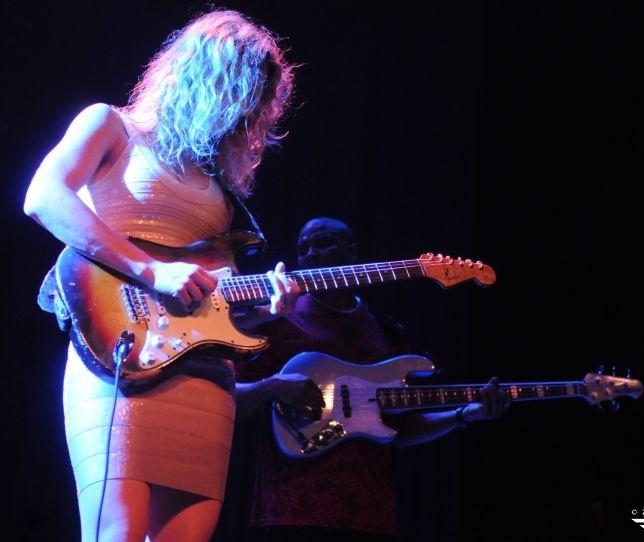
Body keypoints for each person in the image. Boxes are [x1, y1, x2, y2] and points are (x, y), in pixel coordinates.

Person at [23, 10, 300, 542]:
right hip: (119, 355)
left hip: (205, 379)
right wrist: (151, 270)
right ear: (206, 81)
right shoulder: (110, 125)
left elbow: (210, 299)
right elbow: (44, 196)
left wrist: (265, 307)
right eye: (241, 96)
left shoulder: (220, 187)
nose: (246, 115)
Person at [234, 217, 509, 542]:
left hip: (369, 513)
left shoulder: (385, 331)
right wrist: (273, 386)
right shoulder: (279, 319)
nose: (311, 254)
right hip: (290, 509)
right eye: (303, 248)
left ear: (352, 252)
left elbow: (401, 427)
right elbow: (230, 396)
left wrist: (464, 414)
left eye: (323, 243)